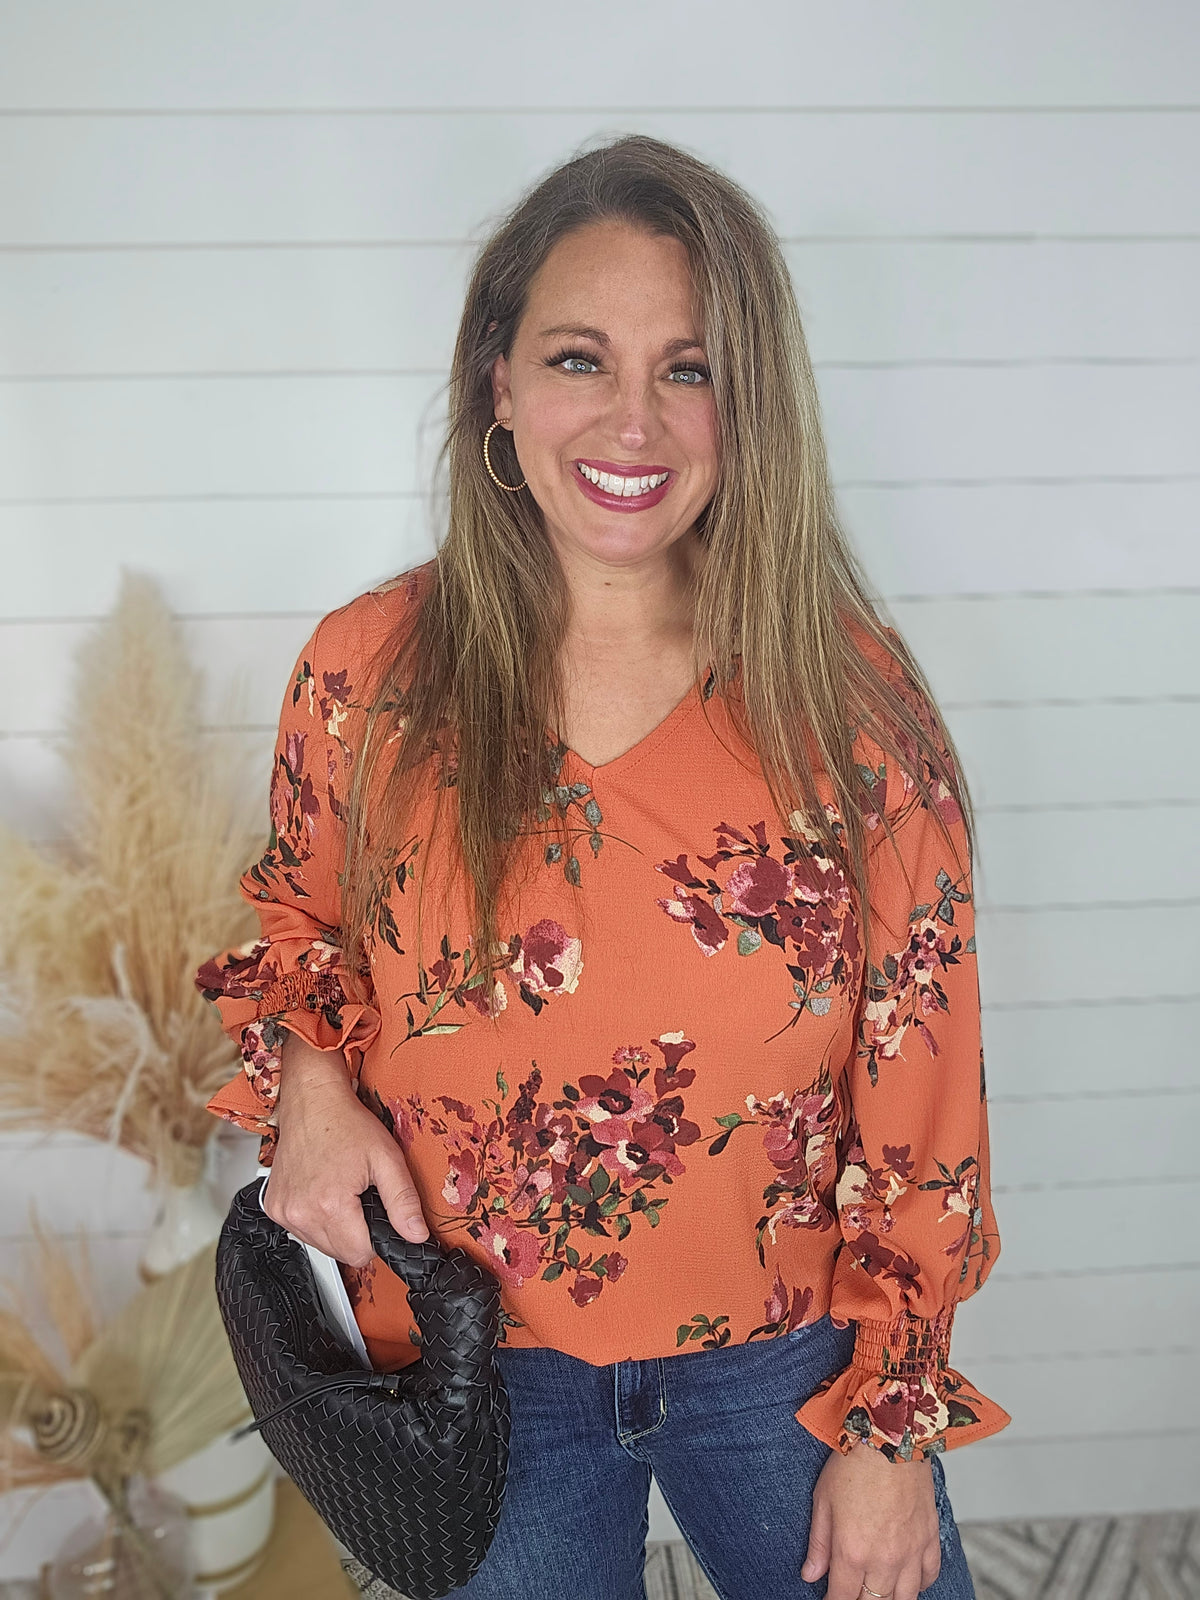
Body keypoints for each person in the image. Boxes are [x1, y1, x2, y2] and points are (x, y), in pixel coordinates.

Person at [196, 133, 1011, 1600]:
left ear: (747, 408)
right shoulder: (368, 672)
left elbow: (924, 1105)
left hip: (790, 1373)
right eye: (581, 358)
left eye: (689, 370)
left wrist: (892, 1431)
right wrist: (309, 1094)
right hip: (475, 1376)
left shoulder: (851, 707)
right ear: (497, 386)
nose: (633, 421)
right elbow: (295, 933)